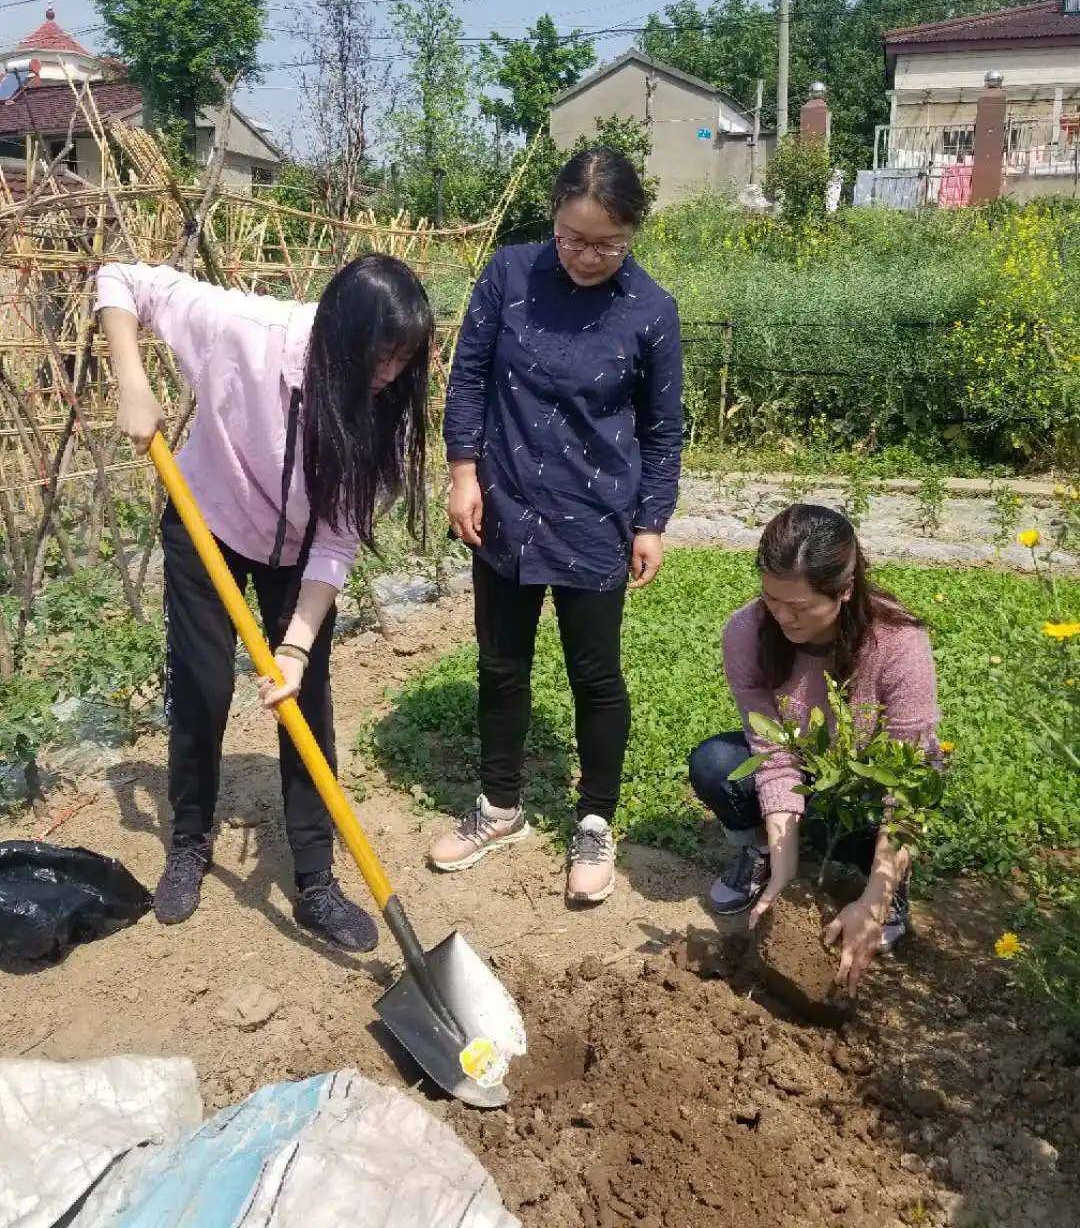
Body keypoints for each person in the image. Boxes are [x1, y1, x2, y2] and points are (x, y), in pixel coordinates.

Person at [97, 254, 433, 951]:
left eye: (404, 359)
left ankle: (315, 880)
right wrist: (132, 381)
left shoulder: (384, 409)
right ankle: (190, 843)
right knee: (202, 686)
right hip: (206, 522)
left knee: (305, 701)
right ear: (337, 337)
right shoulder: (242, 330)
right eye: (380, 357)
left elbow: (338, 540)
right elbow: (121, 279)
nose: (391, 376)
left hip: (299, 554)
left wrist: (295, 647)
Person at [429, 147, 683, 904]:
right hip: (505, 507)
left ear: (633, 233)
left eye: (607, 243)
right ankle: (499, 805)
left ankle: (595, 820)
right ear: (554, 220)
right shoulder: (510, 276)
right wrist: (463, 472)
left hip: (595, 516)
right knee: (501, 664)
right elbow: (468, 373)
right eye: (573, 238)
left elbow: (663, 429)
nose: (586, 256)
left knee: (594, 675)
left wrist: (650, 521)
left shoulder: (651, 310)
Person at [689, 504, 945, 994]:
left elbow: (909, 779)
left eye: (800, 606)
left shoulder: (897, 641)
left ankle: (887, 880)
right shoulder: (746, 631)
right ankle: (767, 852)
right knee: (716, 764)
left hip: (867, 784)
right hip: (804, 771)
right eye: (772, 599)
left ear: (844, 591)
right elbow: (772, 750)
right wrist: (784, 877)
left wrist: (875, 898)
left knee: (917, 781)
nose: (783, 617)